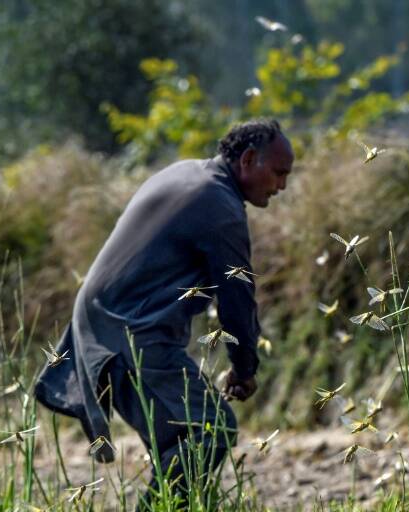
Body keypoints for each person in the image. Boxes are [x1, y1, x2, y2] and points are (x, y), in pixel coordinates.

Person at [34, 118, 294, 505]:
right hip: (130, 332)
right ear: (249, 159)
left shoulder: (185, 173)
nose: (282, 186)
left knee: (186, 440)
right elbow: (237, 297)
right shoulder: (219, 207)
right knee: (210, 429)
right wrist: (244, 368)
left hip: (104, 322)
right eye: (278, 173)